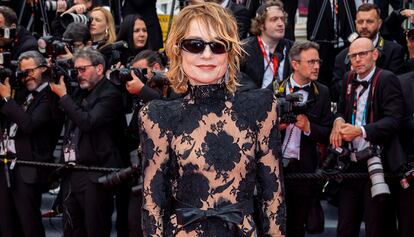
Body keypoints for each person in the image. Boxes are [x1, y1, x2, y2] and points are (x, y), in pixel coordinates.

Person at [139, 2, 285, 236]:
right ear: (177, 50)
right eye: (194, 45)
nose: (206, 54)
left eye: (217, 45)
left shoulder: (260, 108)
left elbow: (273, 198)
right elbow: (152, 203)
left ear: (231, 51)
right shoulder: (158, 116)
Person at [330, 37, 405, 237]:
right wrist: (338, 120)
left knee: (376, 227)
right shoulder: (347, 78)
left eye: (362, 54)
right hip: (350, 163)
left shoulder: (387, 78)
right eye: (353, 55)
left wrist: (361, 130)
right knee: (345, 227)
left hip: (377, 162)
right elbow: (341, 110)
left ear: (374, 55)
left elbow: (394, 120)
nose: (357, 59)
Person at [50, 48, 126, 236]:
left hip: (96, 173)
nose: (78, 75)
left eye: (83, 69)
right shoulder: (79, 92)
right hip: (72, 171)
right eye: (76, 70)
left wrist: (64, 96)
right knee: (71, 230)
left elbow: (88, 122)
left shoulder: (111, 94)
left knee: (95, 229)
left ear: (99, 69)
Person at [0, 51, 64, 237]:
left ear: (43, 69)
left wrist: (6, 99)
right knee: (7, 221)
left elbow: (30, 125)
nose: (26, 76)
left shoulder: (49, 95)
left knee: (29, 222)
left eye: (30, 71)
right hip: (7, 165)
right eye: (23, 72)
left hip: (29, 167)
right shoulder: (22, 94)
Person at [276, 41, 331, 237]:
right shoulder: (274, 89)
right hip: (275, 167)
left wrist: (309, 127)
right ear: (295, 64)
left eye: (318, 61)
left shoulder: (322, 92)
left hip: (305, 167)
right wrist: (278, 126)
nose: (316, 66)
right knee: (274, 222)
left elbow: (327, 132)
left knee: (298, 225)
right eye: (311, 62)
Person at [331, 3, 405, 102]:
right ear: (355, 23)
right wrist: (352, 76)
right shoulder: (343, 56)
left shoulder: (394, 51)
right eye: (360, 22)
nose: (364, 26)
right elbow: (334, 93)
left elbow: (395, 88)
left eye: (369, 21)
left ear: (379, 24)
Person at [240, 0, 293, 89]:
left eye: (282, 19)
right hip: (255, 99)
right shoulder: (244, 49)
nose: (281, 24)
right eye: (274, 19)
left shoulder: (293, 48)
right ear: (261, 25)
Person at [307, 0, 357, 87]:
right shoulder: (317, 2)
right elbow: (311, 26)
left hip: (343, 49)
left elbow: (352, 24)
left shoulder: (347, 2)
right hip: (324, 51)